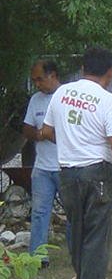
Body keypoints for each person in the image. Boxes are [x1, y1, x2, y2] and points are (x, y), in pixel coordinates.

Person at [39, 46, 112, 279]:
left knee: (77, 232)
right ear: (110, 72)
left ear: (82, 69)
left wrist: (70, 140)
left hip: (67, 173)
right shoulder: (107, 100)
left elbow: (46, 131)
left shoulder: (61, 94)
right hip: (97, 172)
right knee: (96, 236)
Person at [21, 59, 62, 265]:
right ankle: (38, 256)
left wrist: (54, 135)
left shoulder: (66, 97)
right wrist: (39, 134)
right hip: (42, 167)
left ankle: (77, 252)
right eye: (34, 80)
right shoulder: (36, 100)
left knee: (74, 212)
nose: (37, 83)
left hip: (66, 166)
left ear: (53, 75)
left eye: (40, 79)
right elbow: (26, 128)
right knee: (39, 212)